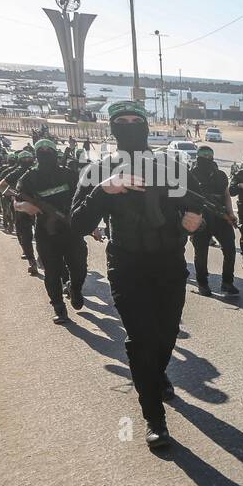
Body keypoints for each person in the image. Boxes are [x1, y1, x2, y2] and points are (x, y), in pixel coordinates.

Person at [70, 101, 205, 450]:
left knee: (167, 333)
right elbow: (77, 224)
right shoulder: (98, 170)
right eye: (122, 121)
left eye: (136, 120)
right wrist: (104, 190)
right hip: (126, 265)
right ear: (113, 127)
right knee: (141, 339)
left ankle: (155, 375)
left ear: (145, 126)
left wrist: (194, 222)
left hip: (169, 263)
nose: (130, 126)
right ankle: (154, 417)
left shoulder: (172, 166)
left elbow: (198, 206)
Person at [14, 139, 87, 323]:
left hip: (71, 228)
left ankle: (75, 288)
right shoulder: (29, 177)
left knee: (79, 267)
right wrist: (24, 206)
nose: (45, 155)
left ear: (55, 154)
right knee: (52, 272)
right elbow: (16, 201)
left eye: (48, 152)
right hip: (46, 232)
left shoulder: (69, 174)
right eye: (41, 152)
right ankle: (59, 307)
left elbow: (84, 197)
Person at [187, 146, 239, 298]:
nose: (207, 159)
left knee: (230, 249)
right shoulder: (191, 175)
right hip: (200, 218)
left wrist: (230, 213)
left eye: (209, 156)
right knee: (201, 253)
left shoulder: (220, 175)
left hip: (221, 217)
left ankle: (227, 282)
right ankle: (202, 284)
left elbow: (226, 194)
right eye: (204, 156)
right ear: (198, 157)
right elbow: (185, 199)